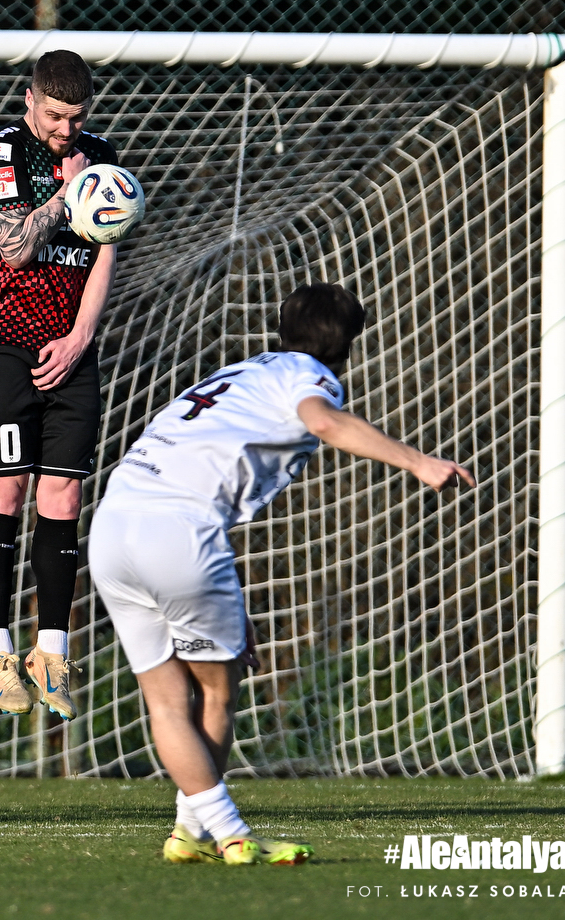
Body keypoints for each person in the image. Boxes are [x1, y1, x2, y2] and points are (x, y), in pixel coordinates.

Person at [90, 283, 473, 865]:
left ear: (282, 327)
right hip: (179, 532)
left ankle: (188, 836)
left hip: (113, 527)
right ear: (347, 343)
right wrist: (418, 462)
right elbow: (324, 423)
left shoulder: (241, 372)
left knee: (166, 703)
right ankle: (231, 836)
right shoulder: (308, 376)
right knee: (216, 694)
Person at [0, 49, 119, 720]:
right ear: (29, 100)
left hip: (71, 348)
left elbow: (106, 251)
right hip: (4, 347)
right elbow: (16, 248)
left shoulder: (100, 155)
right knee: (4, 494)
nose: (65, 129)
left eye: (76, 117)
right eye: (54, 115)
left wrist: (81, 337)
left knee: (65, 496)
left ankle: (51, 651)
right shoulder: (1, 152)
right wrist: (67, 193)